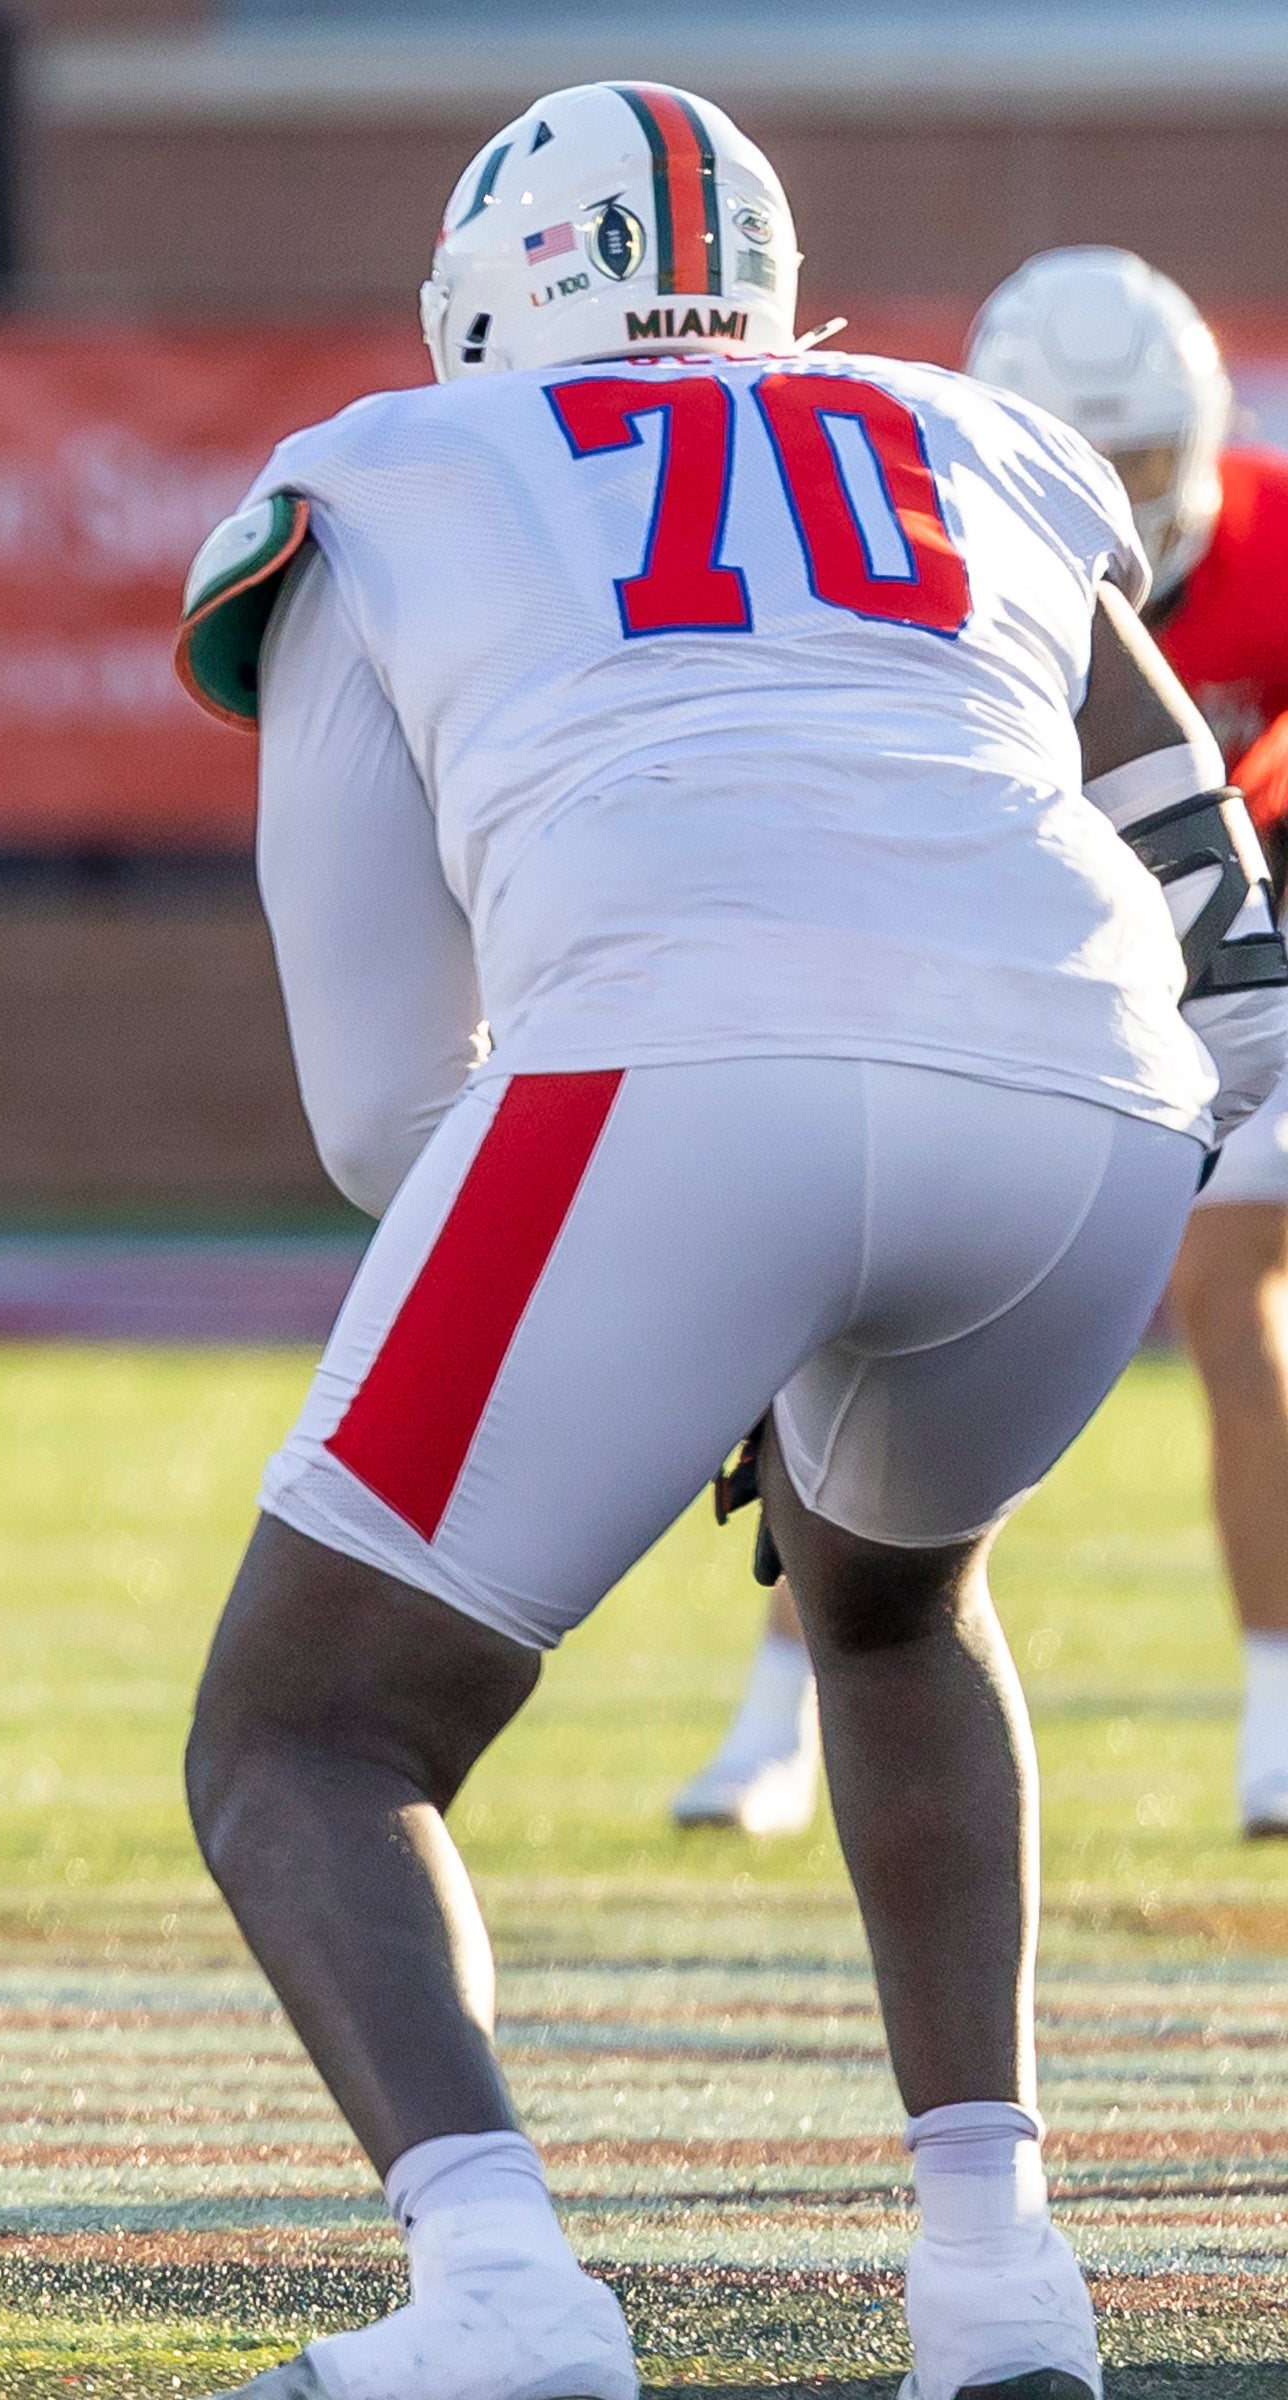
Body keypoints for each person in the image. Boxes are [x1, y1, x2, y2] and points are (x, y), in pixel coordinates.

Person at [171, 82, 1286, 2400]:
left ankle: (497, 2287)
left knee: (305, 1729)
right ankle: (997, 2277)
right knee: (894, 1602)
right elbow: (1194, 847)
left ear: (489, 306)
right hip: (1085, 1095)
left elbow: (385, 1097)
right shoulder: (955, 433)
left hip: (680, 1074)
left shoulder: (379, 475)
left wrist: (676, 1298)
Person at [679, 245, 1288, 1842]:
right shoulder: (926, 553)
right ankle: (774, 1721)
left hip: (1249, 969)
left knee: (1232, 1296)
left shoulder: (1275, 549)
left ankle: (1279, 1710)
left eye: (1153, 463)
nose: (1130, 501)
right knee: (884, 1325)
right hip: (1033, 974)